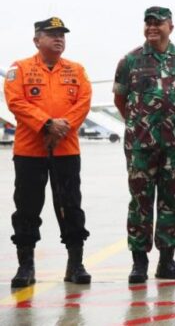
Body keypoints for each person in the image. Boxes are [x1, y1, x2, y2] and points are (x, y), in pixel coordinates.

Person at [4, 17, 92, 288]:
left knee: (70, 206)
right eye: (52, 34)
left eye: (62, 35)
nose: (59, 39)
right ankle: (25, 266)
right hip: (30, 152)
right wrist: (46, 124)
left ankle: (75, 264)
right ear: (36, 40)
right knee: (27, 207)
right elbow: (16, 102)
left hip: (66, 150)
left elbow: (84, 101)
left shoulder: (76, 70)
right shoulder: (19, 69)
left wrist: (63, 127)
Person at [113, 6, 175, 284]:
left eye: (158, 23)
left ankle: (167, 261)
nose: (152, 27)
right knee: (140, 202)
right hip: (140, 145)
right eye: (148, 23)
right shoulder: (130, 60)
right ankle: (139, 263)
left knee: (171, 201)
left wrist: (165, 124)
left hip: (174, 145)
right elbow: (120, 101)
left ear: (170, 26)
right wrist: (141, 125)